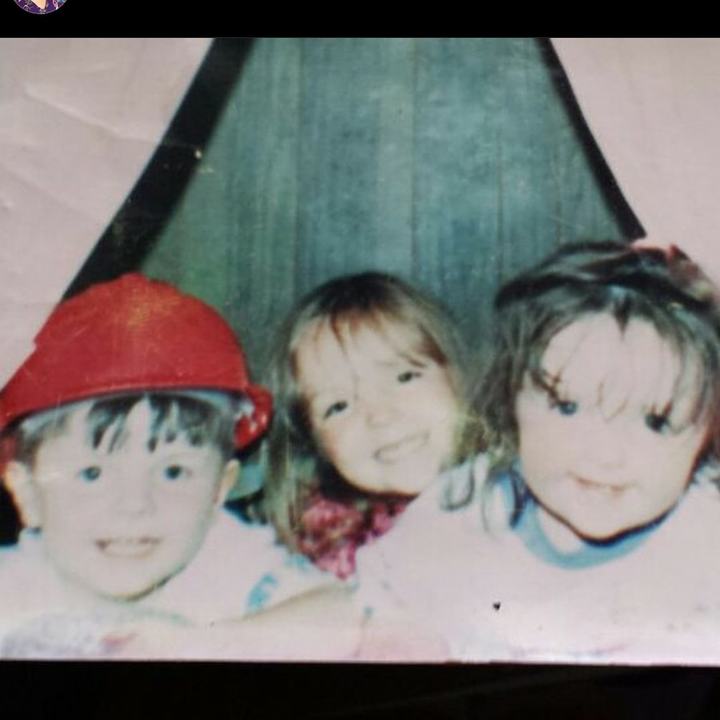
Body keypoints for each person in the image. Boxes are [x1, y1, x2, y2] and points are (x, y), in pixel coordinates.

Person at [356, 242, 720, 663]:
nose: (605, 456)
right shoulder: (463, 510)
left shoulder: (703, 543)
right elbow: (384, 593)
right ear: (511, 398)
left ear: (707, 433)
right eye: (568, 407)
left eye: (655, 421)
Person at [0, 273, 336, 658]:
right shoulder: (15, 587)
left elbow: (352, 614)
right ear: (26, 493)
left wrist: (204, 644)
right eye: (92, 474)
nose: (135, 504)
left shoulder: (232, 564)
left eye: (172, 472)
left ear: (219, 490)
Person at [262, 272, 478, 579]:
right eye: (339, 406)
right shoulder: (321, 566)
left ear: (459, 376)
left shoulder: (527, 506)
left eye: (404, 377)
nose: (380, 415)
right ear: (315, 443)